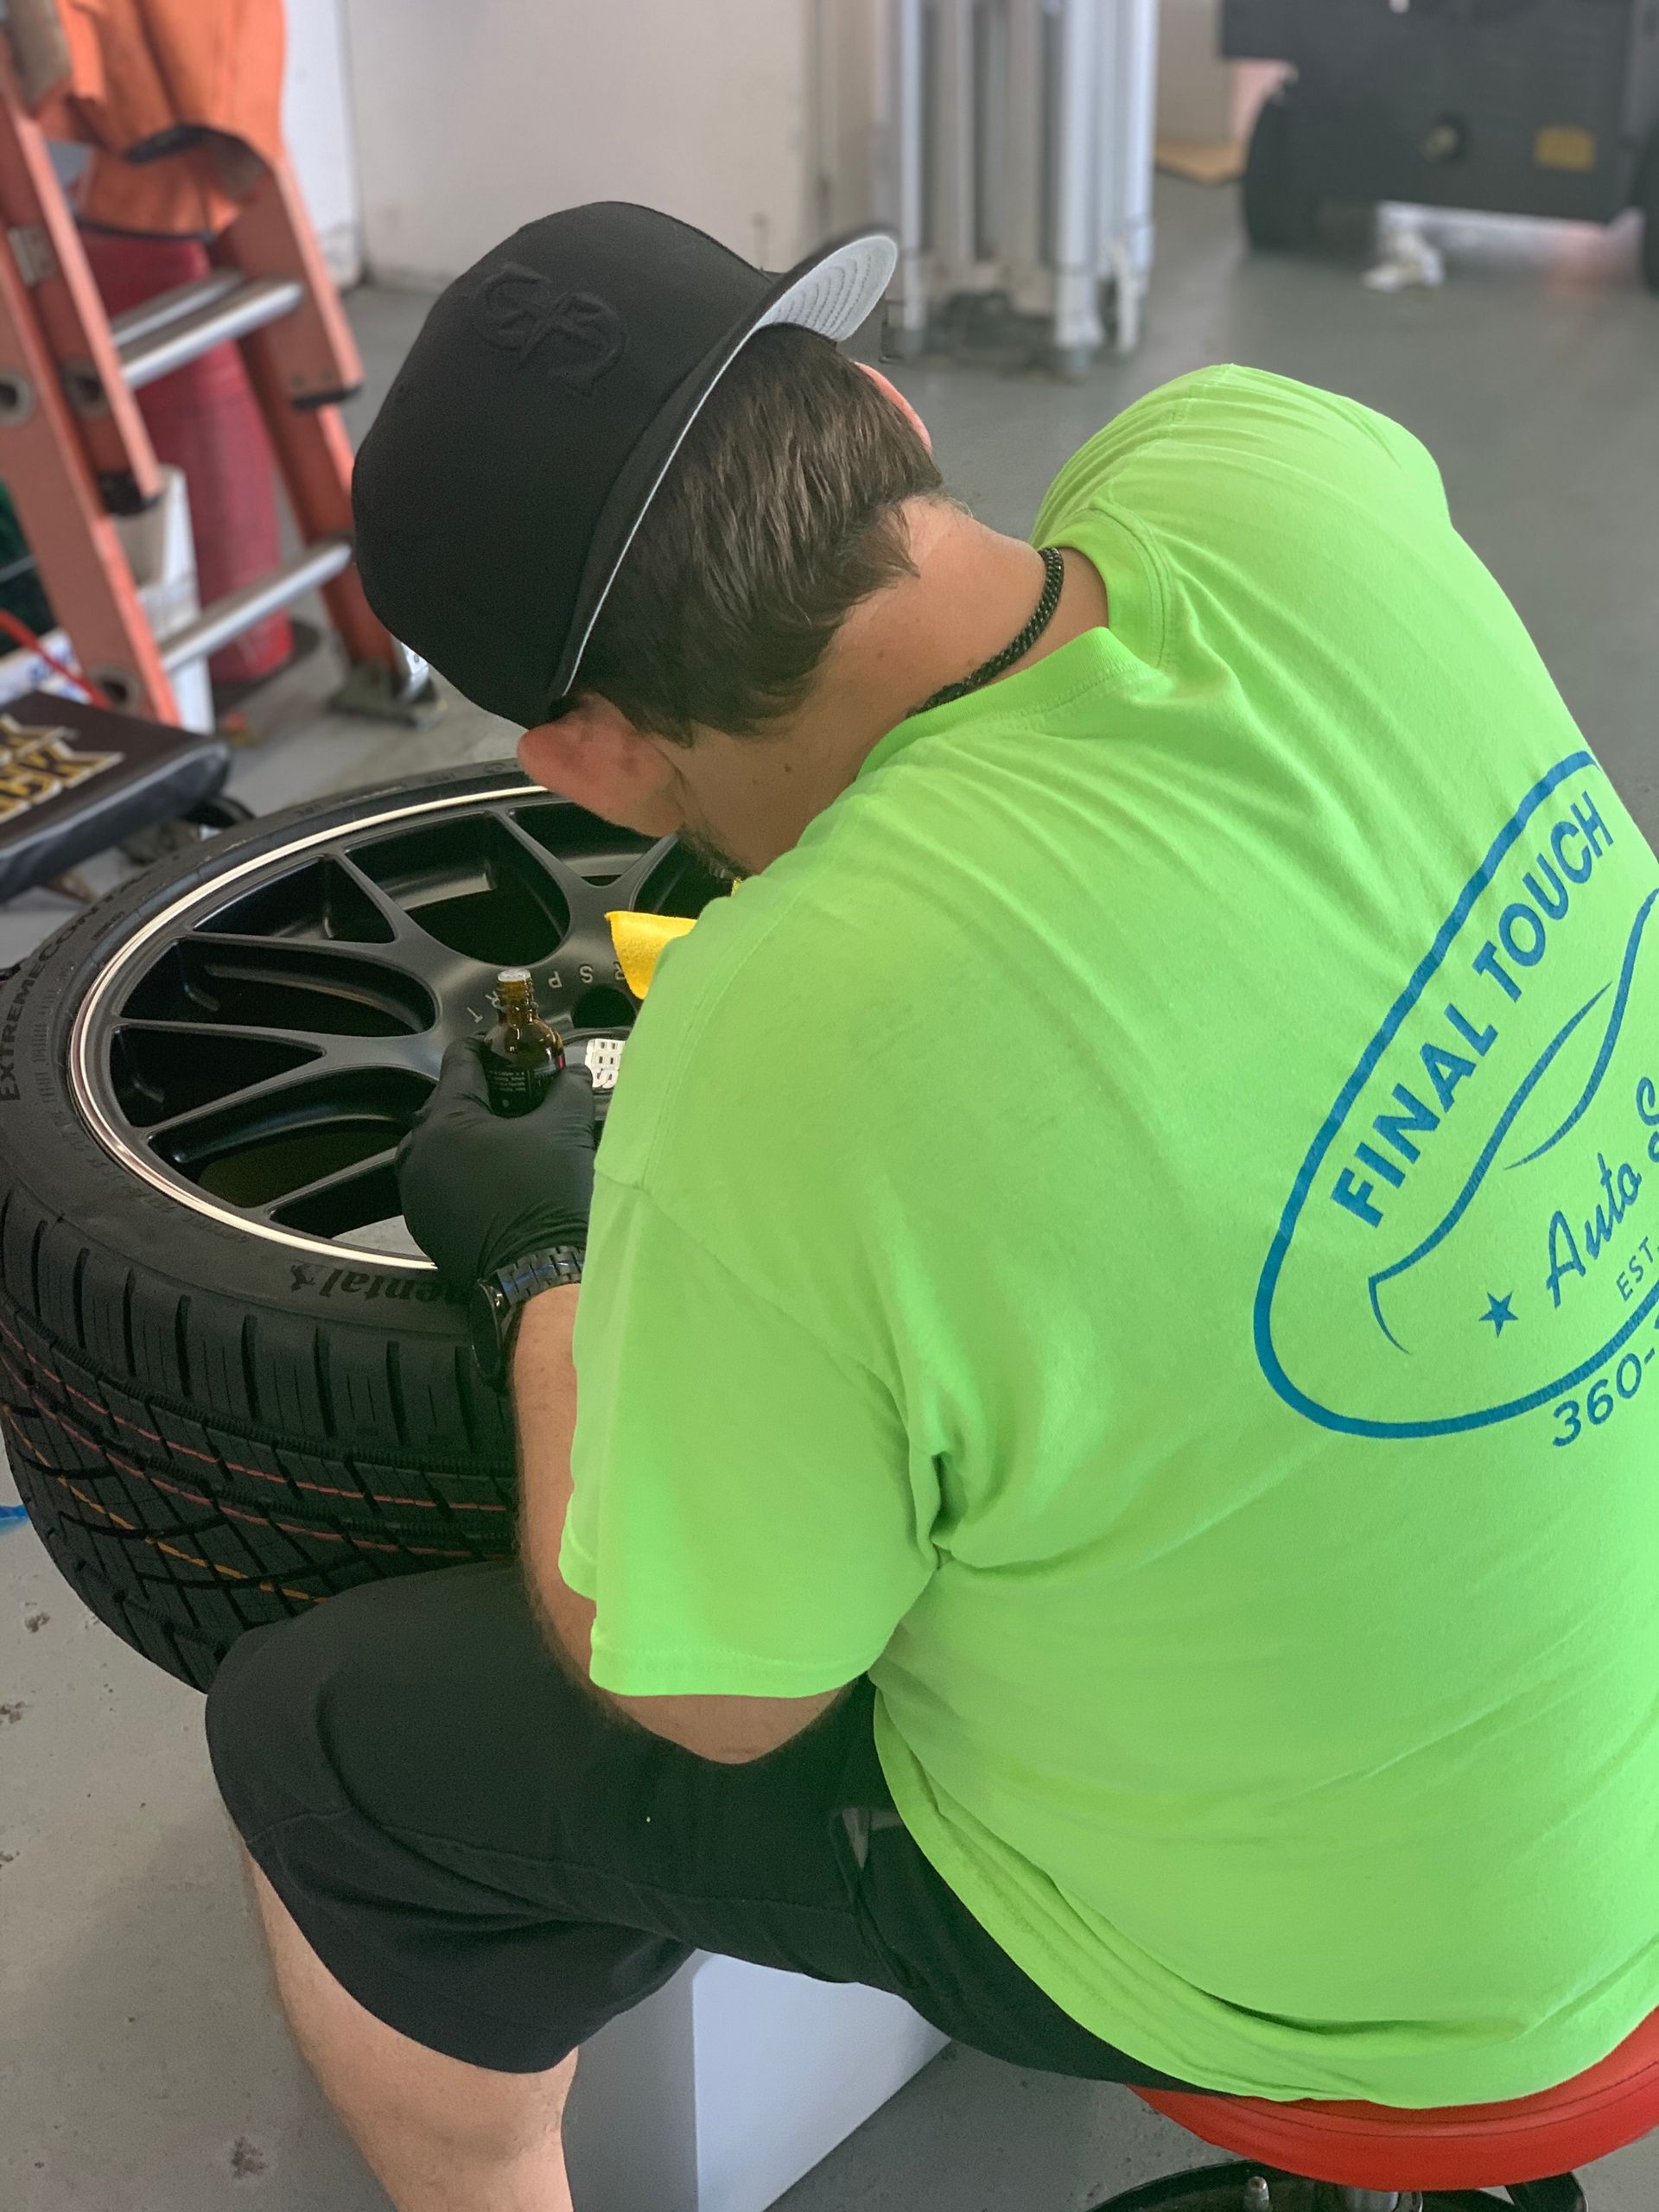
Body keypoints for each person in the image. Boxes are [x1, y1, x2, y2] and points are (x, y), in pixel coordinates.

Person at [205, 201, 1659, 2212]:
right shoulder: (1277, 463)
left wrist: (548, 1261)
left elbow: (707, 1696)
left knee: (324, 1739)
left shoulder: (785, 1034)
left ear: (590, 762)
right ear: (882, 399)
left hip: (1354, 1997)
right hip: (1616, 1756)